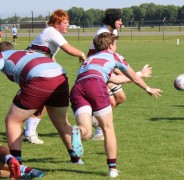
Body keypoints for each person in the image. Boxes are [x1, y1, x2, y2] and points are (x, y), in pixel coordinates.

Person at [70, 32, 163, 178]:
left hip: (77, 89)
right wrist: (148, 88)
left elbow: (116, 78)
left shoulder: (90, 59)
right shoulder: (114, 56)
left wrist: (140, 74)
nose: (116, 45)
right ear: (110, 45)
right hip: (95, 84)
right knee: (108, 128)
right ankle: (112, 169)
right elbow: (131, 76)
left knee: (86, 132)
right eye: (115, 43)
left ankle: (77, 132)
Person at [0, 42, 84, 165]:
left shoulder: (3, 55)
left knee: (12, 121)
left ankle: (17, 165)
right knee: (61, 123)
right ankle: (76, 159)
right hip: (60, 77)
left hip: (40, 79)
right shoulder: (25, 53)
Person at [23, 9, 86, 145]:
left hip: (34, 68)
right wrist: (81, 54)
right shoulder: (51, 31)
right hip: (32, 69)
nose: (68, 25)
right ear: (57, 23)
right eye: (65, 22)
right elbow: (68, 49)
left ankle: (28, 131)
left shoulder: (52, 32)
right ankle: (28, 131)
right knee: (44, 98)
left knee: (46, 99)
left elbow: (49, 54)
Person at [88, 9, 152, 141]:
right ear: (112, 21)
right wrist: (132, 75)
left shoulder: (113, 31)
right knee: (111, 100)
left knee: (121, 97)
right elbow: (103, 56)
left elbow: (111, 56)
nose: (121, 22)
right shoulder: (103, 33)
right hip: (99, 70)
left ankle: (95, 118)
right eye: (119, 20)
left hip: (106, 65)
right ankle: (99, 128)